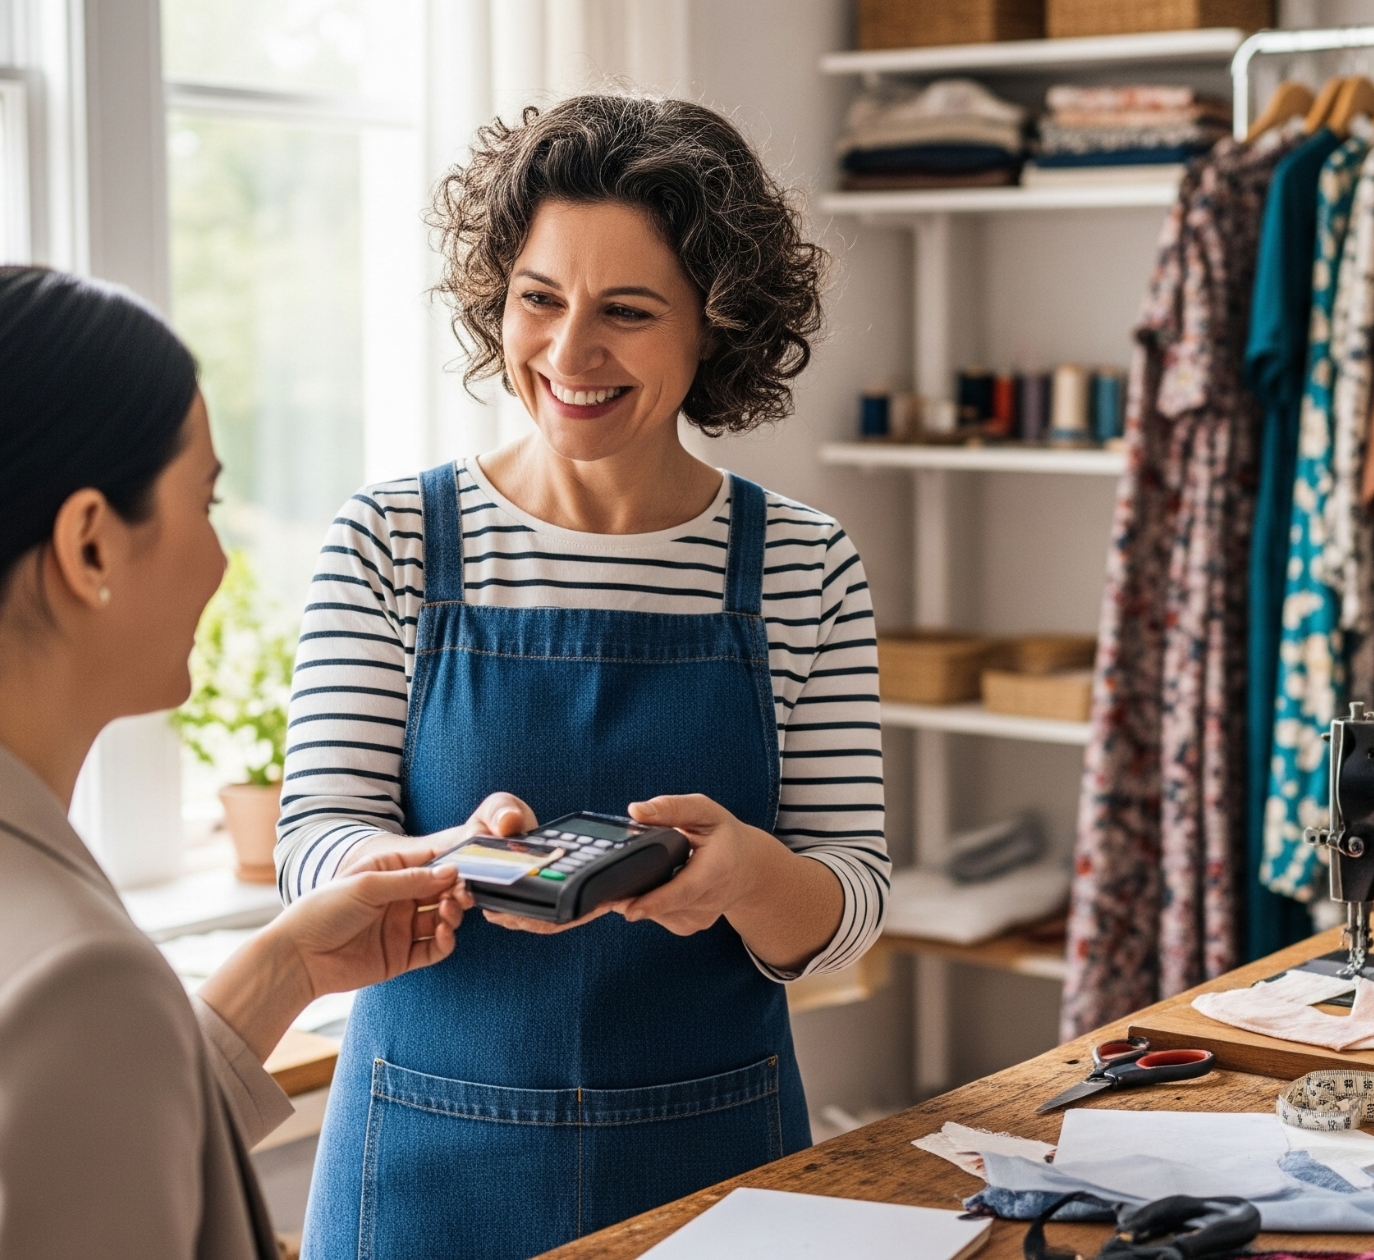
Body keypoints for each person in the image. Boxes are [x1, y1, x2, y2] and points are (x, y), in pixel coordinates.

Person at [0, 266, 480, 1259]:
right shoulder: (65, 986)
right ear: (90, 545)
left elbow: (24, 1148)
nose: (218, 560)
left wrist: (285, 967)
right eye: (205, 501)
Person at [283, 94, 889, 1258]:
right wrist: (429, 860)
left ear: (714, 326)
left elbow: (848, 894)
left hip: (715, 1160)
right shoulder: (390, 539)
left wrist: (746, 877)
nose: (567, 354)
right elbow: (315, 834)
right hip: (423, 1158)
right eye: (538, 300)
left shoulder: (804, 563)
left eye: (626, 311)